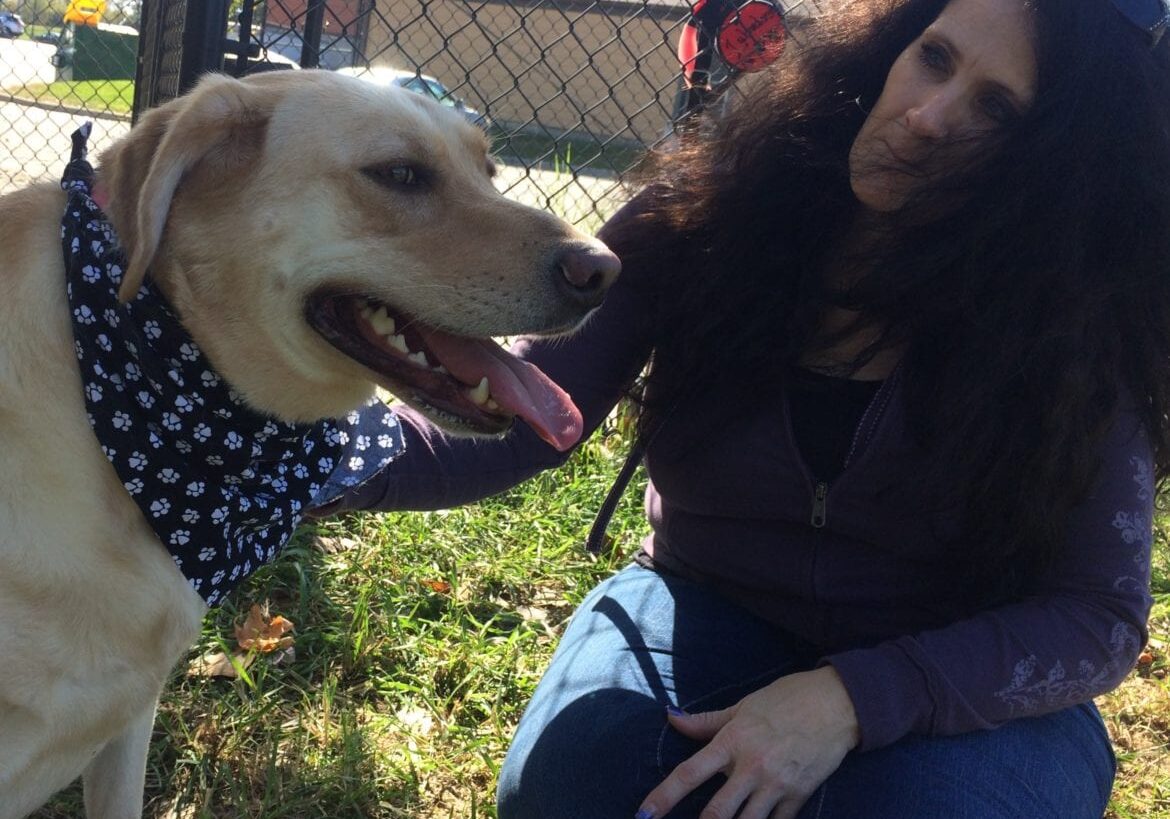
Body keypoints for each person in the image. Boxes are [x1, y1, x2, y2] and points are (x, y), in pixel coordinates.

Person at [318, 0, 1170, 815]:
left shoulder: (1081, 318)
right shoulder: (709, 214)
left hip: (955, 663)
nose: (927, 116)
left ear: (1060, 162)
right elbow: (525, 419)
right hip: (706, 600)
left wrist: (850, 699)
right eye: (935, 58)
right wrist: (291, 452)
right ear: (893, 49)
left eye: (997, 110)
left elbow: (1095, 615)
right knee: (572, 784)